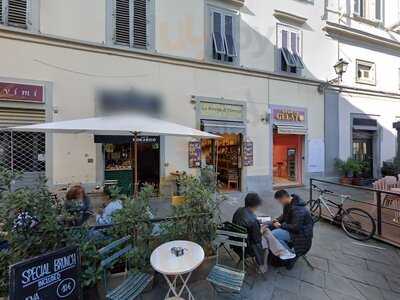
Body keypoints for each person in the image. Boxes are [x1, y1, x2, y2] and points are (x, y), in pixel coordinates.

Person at [232, 193, 296, 273]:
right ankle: (268, 262)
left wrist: (262, 227)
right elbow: (257, 239)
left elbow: (249, 228)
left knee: (267, 231)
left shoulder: (239, 210)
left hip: (237, 242)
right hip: (248, 247)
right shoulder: (252, 220)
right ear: (255, 205)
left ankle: (281, 252)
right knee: (266, 239)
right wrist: (261, 230)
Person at [272, 190, 314, 266]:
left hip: (301, 235)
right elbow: (284, 215)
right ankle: (286, 251)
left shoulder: (298, 209)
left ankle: (291, 254)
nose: (280, 203)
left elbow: (296, 228)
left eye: (280, 201)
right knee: (274, 235)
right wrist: (277, 219)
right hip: (295, 232)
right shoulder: (288, 203)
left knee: (274, 234)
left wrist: (281, 225)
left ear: (284, 198)